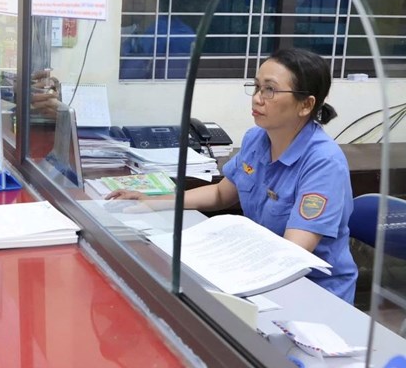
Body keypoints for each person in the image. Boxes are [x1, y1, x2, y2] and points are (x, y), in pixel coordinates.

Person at [108, 48, 358, 303]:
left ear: (306, 104)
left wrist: (224, 256)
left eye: (270, 90)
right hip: (258, 275)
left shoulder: (323, 163)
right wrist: (152, 200)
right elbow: (220, 193)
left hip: (310, 292)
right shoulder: (257, 139)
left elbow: (291, 253)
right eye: (256, 86)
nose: (257, 99)